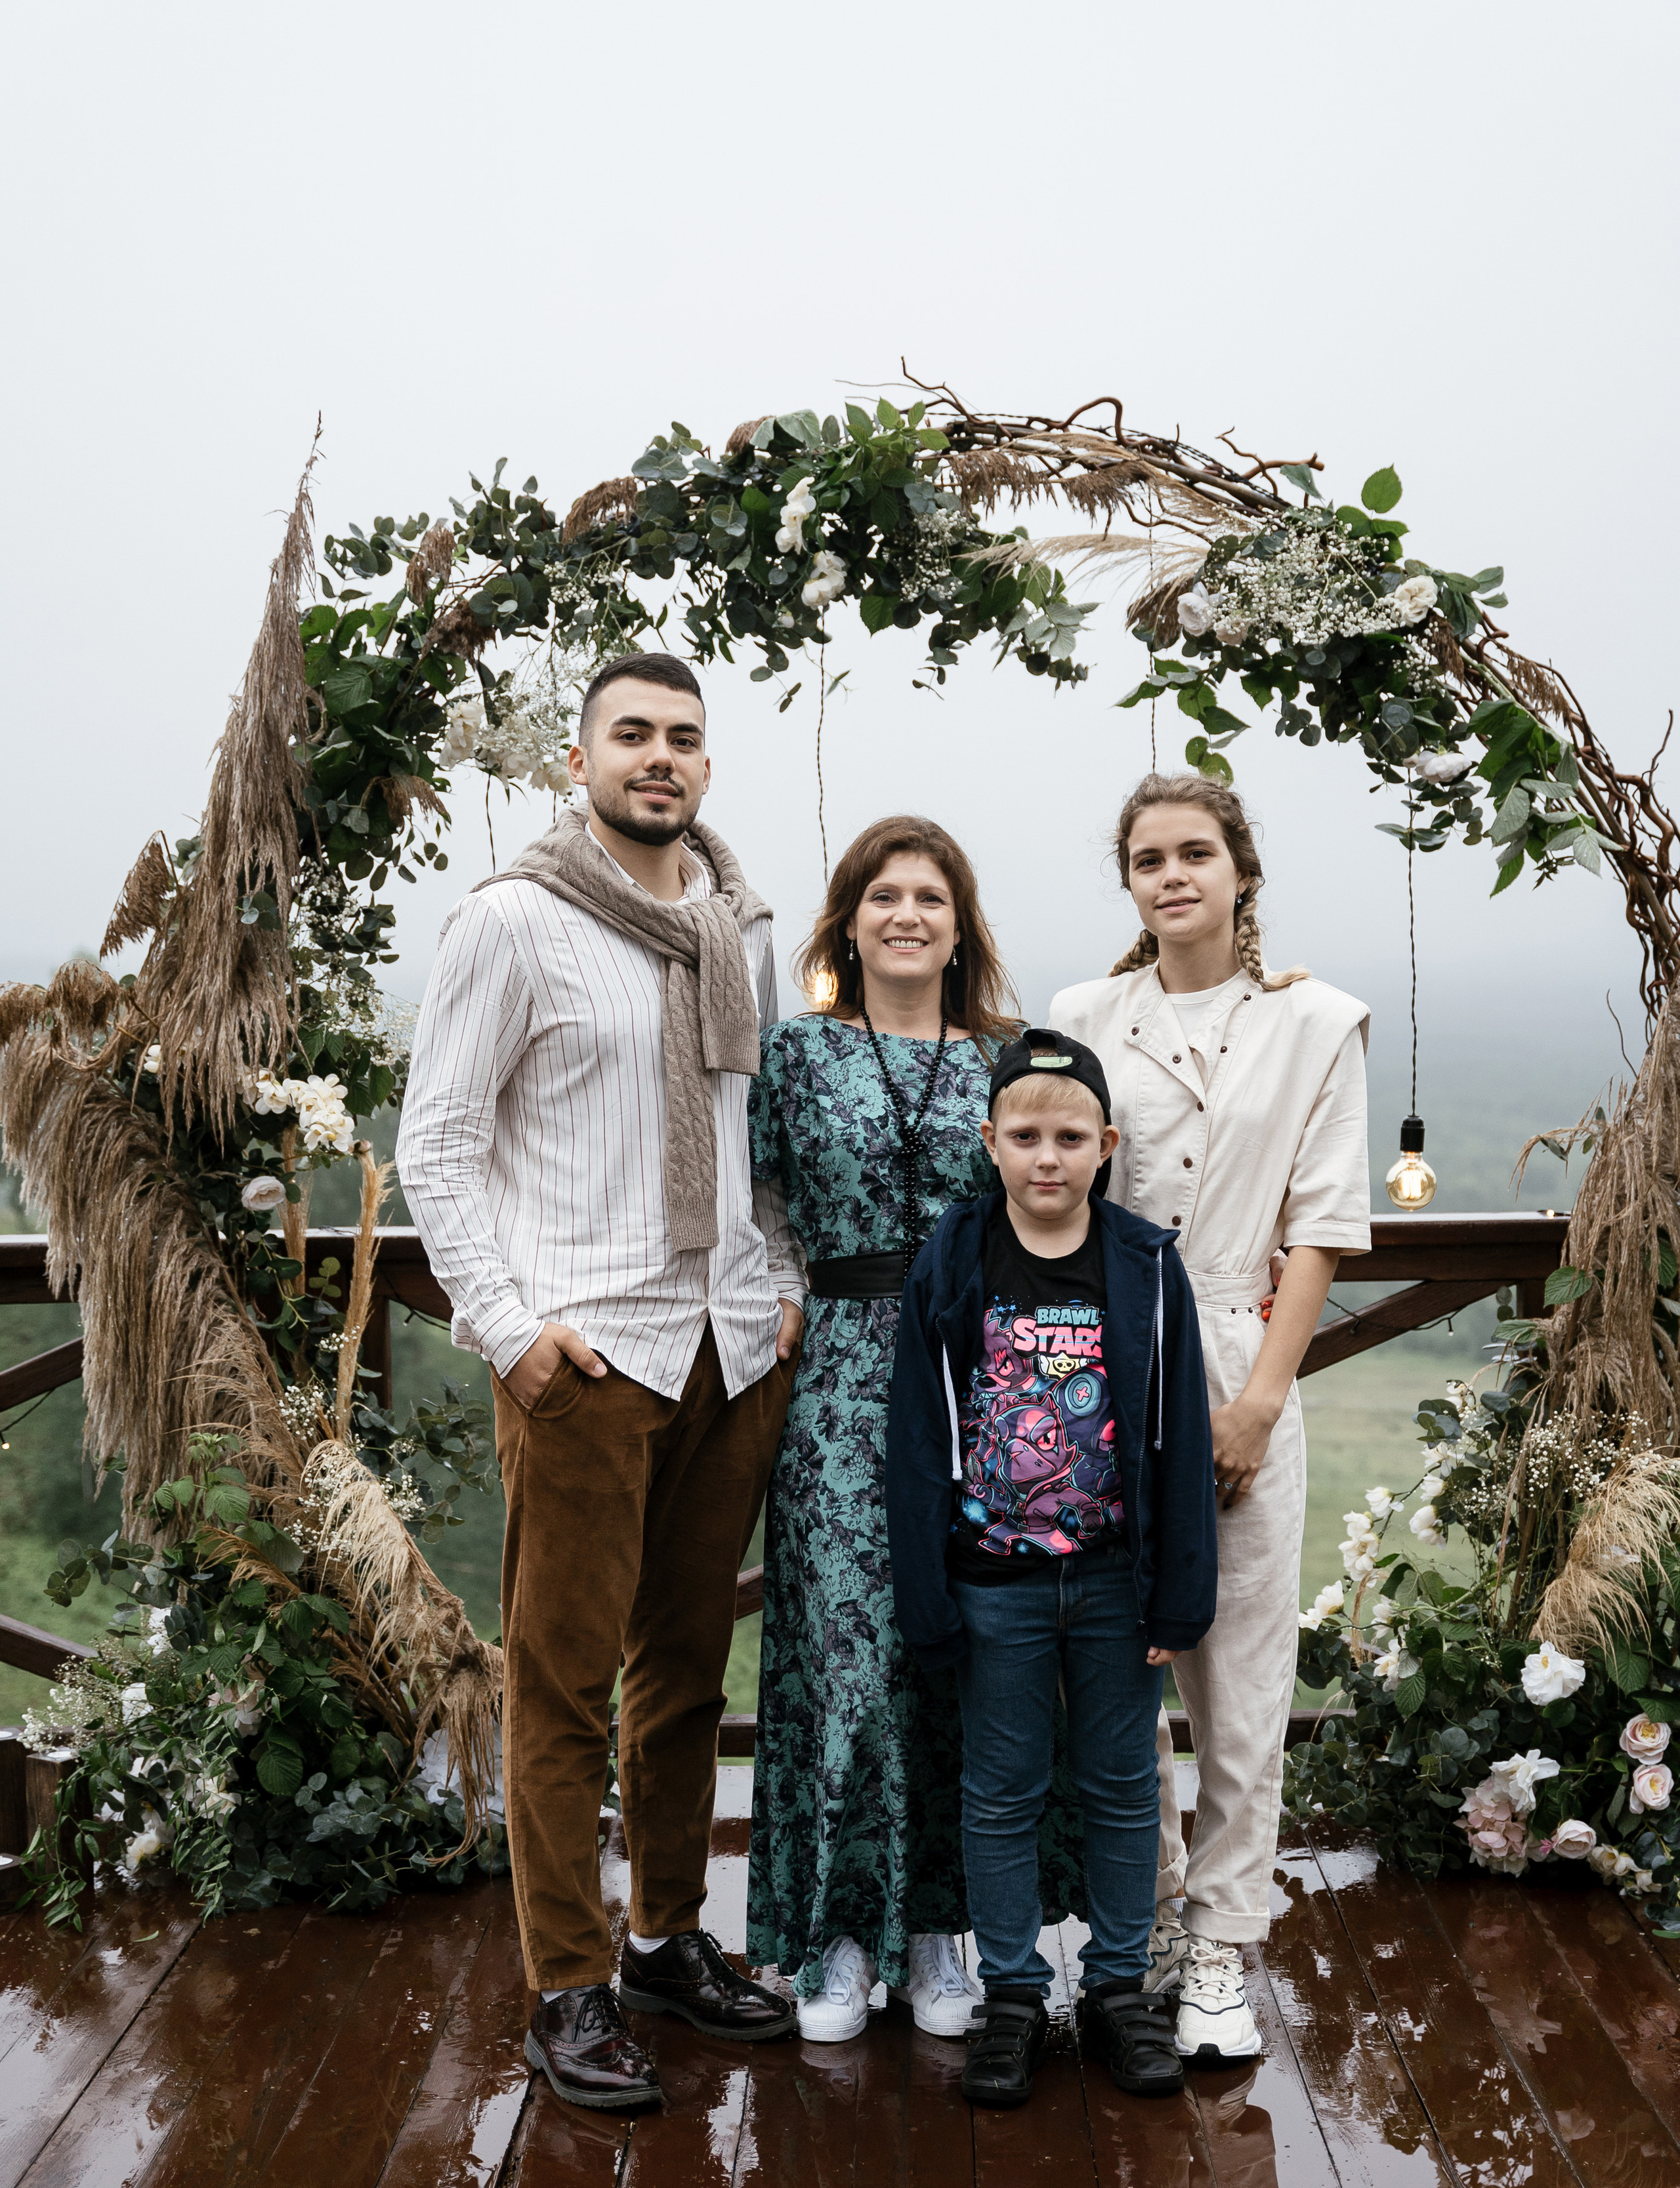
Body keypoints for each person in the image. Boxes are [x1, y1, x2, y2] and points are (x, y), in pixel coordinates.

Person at [398, 650, 801, 2113]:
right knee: (561, 1686)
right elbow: (438, 1141)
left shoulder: (735, 924)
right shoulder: (511, 923)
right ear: (578, 764)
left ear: (706, 765)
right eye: (631, 735)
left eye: (683, 739)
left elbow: (754, 1134)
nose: (660, 758)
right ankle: (563, 1986)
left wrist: (780, 1290)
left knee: (688, 1673)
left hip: (726, 1343)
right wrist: (510, 1333)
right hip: (588, 1355)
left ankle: (665, 1939)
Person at [746, 816, 1085, 2042]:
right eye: (882, 895)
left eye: (930, 897)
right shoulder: (797, 1053)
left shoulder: (1007, 1055)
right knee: (846, 1657)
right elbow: (760, 1201)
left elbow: (1064, 1191)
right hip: (836, 1372)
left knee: (972, 1649)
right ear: (847, 920)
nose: (906, 915)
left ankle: (944, 1927)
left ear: (960, 924)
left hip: (981, 1369)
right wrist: (779, 1296)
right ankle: (838, 1934)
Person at [1050, 772, 1370, 2063]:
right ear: (1126, 882)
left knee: (1236, 1677)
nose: (1170, 875)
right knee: (1111, 1676)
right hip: (1096, 1371)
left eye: (1193, 853)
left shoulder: (1316, 1024)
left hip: (1238, 1355)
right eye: (1146, 859)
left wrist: (1255, 1401)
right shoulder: (1083, 1014)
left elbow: (1320, 1229)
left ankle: (1225, 1950)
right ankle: (1149, 1925)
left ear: (1239, 870)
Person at [887, 1028, 1218, 2107]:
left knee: (1126, 1785)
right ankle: (1016, 1991)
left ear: (1107, 1144)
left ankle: (1120, 1988)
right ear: (988, 1142)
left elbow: (1178, 1437)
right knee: (1000, 1791)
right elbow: (916, 1433)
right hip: (994, 1584)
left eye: (1070, 1137)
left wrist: (1181, 1590)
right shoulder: (954, 1255)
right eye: (1024, 1135)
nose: (1047, 1157)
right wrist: (929, 1594)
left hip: (1119, 1585)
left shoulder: (1142, 1265)